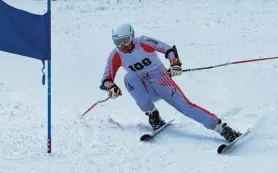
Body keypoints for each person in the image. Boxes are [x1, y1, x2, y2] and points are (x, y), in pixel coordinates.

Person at [99, 23, 242, 142]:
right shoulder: (116, 55)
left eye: (125, 40)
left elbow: (168, 49)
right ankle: (153, 115)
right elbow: (106, 79)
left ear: (131, 37)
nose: (122, 45)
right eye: (118, 42)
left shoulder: (143, 42)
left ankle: (223, 128)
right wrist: (111, 88)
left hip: (161, 80)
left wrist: (175, 63)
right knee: (129, 78)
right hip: (145, 88)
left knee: (186, 108)